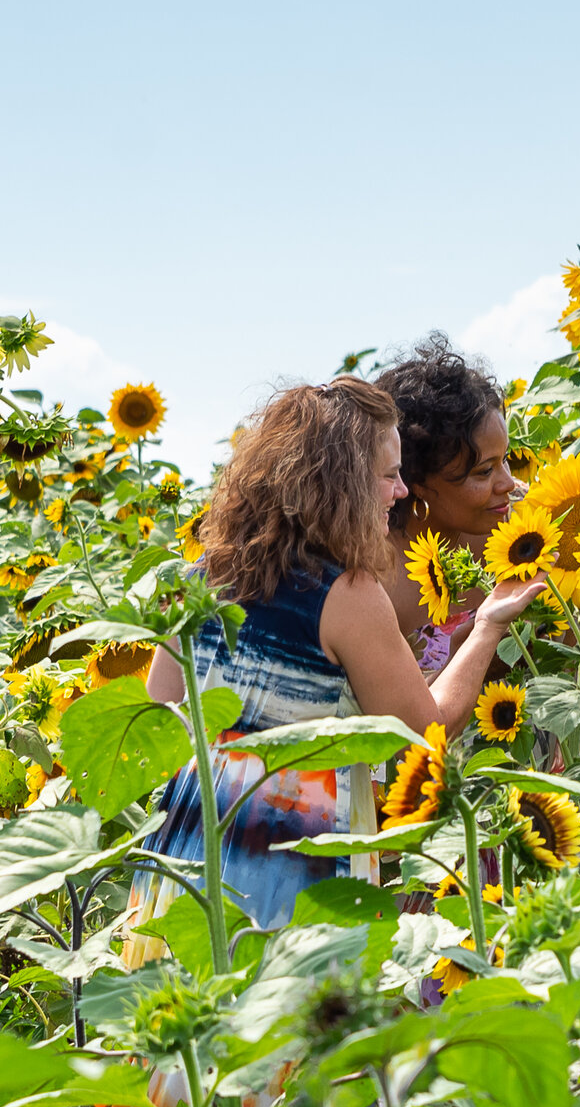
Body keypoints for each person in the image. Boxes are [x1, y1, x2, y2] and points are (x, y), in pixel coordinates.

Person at [130, 376, 545, 934]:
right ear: (343, 484)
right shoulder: (345, 594)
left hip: (183, 857)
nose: (401, 492)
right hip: (291, 861)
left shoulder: (198, 575)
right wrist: (489, 627)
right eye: (390, 475)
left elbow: (158, 720)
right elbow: (426, 728)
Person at [373, 336, 521, 671]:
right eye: (484, 471)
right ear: (420, 483)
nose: (508, 484)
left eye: (506, 460)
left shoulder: (523, 528)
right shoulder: (377, 575)